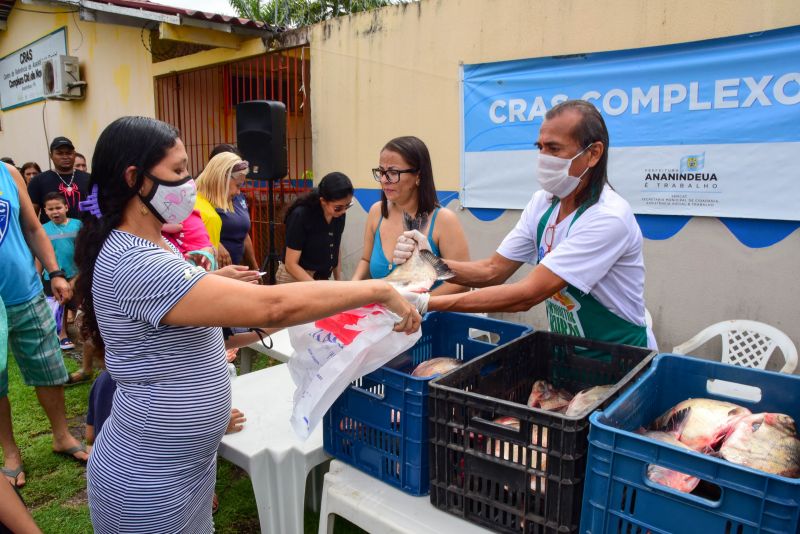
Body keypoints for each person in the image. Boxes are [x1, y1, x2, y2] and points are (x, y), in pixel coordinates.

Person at [74, 116, 419, 533]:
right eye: (180, 171)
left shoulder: (154, 242)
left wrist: (208, 283)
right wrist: (378, 291)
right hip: (147, 481)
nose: (190, 183)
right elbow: (272, 306)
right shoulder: (135, 260)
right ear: (136, 179)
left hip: (181, 471)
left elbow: (168, 317)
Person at [395, 100, 656, 350]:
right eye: (539, 147)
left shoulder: (608, 218)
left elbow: (526, 295)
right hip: (570, 351)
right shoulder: (543, 204)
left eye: (554, 149)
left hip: (621, 356)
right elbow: (492, 270)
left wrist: (426, 302)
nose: (543, 158)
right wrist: (428, 261)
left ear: (593, 154)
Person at [0, 162, 89, 490]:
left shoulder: (7, 174)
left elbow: (32, 228)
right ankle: (10, 453)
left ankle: (62, 436)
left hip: (23, 289)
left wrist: (54, 272)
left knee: (49, 364)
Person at [352, 136, 470, 294]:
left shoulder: (443, 220)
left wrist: (418, 304)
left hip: (428, 316)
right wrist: (350, 288)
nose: (384, 180)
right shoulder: (376, 212)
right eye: (381, 171)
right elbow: (366, 260)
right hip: (382, 316)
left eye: (393, 172)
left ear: (418, 176)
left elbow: (461, 283)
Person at [277, 172, 354, 283]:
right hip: (294, 278)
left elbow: (336, 249)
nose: (343, 211)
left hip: (319, 278)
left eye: (348, 205)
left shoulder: (338, 215)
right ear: (323, 201)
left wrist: (338, 281)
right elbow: (291, 264)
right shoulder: (301, 215)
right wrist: (316, 287)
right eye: (338, 208)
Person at [39, 192, 82, 353]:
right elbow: (39, 255)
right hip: (53, 275)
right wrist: (38, 275)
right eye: (50, 209)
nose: (55, 211)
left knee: (78, 303)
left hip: (75, 273)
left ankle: (87, 334)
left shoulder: (77, 225)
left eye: (58, 207)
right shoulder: (43, 229)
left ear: (66, 207)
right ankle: (62, 334)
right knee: (60, 306)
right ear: (45, 210)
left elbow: (84, 249)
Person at [194, 152, 249, 268]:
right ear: (222, 179)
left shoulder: (190, 203)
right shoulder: (210, 216)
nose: (238, 192)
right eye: (238, 185)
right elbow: (207, 272)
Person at [27, 137, 91, 224]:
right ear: (51, 156)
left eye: (68, 153)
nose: (65, 157)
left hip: (86, 233)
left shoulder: (89, 178)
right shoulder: (38, 181)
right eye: (60, 153)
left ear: (74, 154)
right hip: (52, 235)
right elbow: (31, 215)